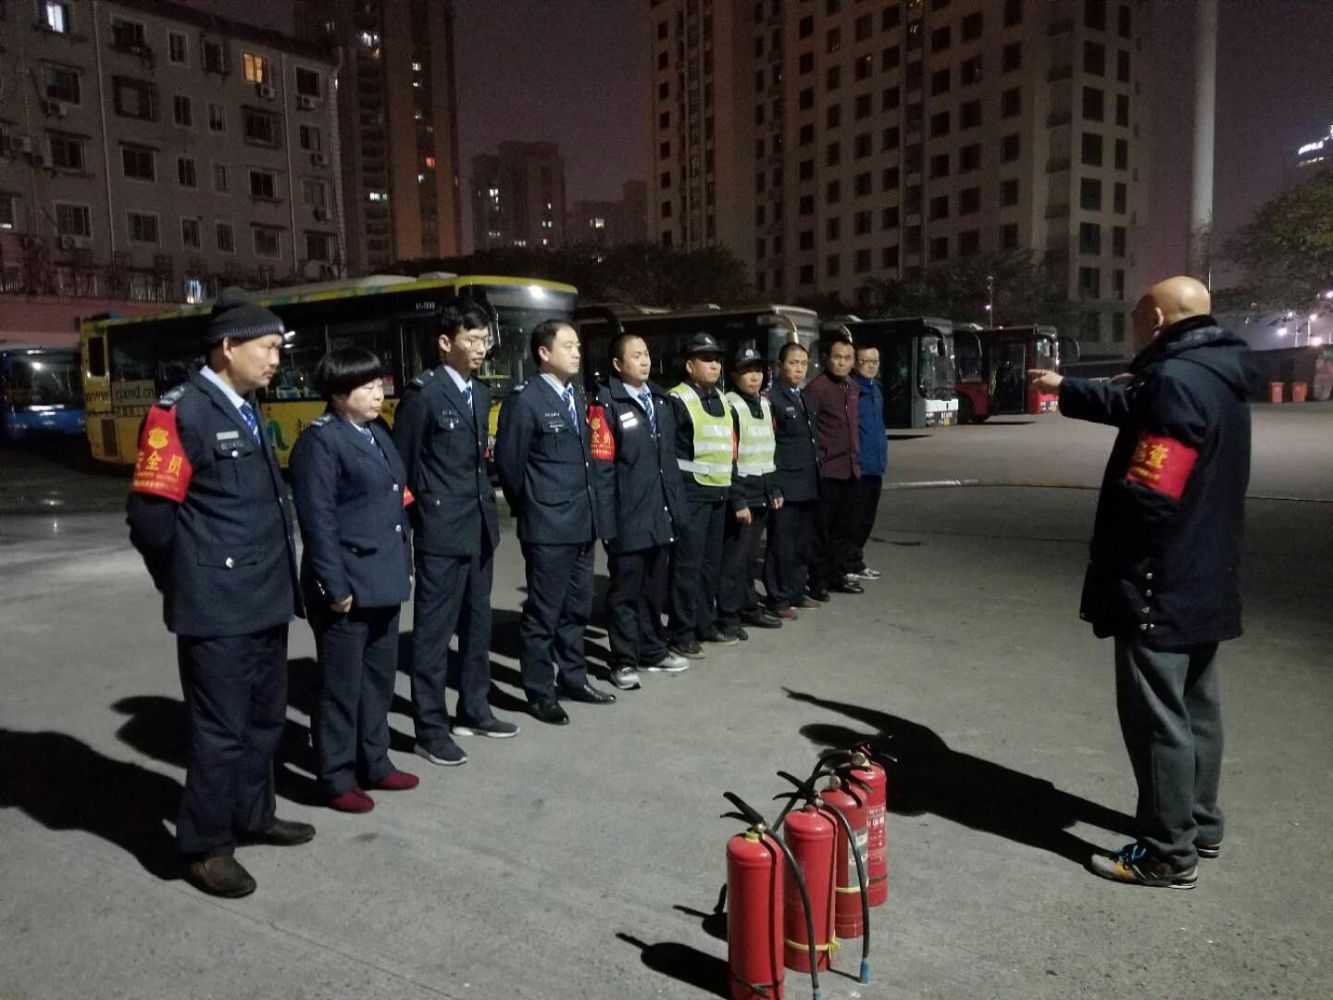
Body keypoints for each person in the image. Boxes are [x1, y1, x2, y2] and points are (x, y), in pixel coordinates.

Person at [1030, 275, 1251, 889]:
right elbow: (1136, 408)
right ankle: (1200, 825)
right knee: (1198, 705)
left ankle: (1166, 853)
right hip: (1208, 570)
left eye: (1133, 315)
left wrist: (1119, 564)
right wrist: (1068, 389)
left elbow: (1151, 492)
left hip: (1161, 577)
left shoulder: (1175, 381)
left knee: (1157, 717)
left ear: (1154, 317)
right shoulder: (1215, 373)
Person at [126, 287, 313, 899]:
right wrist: (186, 579)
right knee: (220, 731)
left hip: (263, 598)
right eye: (268, 348)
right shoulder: (181, 413)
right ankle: (203, 847)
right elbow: (150, 519)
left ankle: (252, 814)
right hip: (217, 605)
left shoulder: (246, 408)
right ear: (229, 347)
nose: (277, 359)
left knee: (263, 720)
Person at [289, 348, 418, 813]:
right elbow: (317, 520)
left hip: (384, 576)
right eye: (366, 387)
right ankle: (336, 775)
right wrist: (334, 585)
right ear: (339, 394)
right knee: (341, 686)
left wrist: (404, 562)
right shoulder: (320, 442)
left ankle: (375, 762)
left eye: (379, 384)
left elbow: (396, 503)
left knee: (378, 680)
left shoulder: (377, 432)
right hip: (347, 582)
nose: (378, 393)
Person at [393, 302, 517, 768]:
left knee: (477, 626)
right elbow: (402, 469)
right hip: (440, 532)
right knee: (432, 635)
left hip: (479, 527)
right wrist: (413, 531)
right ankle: (430, 729)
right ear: (445, 342)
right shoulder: (424, 395)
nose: (481, 348)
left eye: (485, 340)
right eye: (472, 339)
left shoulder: (479, 394)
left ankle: (474, 709)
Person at [494, 320, 618, 725]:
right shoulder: (526, 400)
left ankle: (573, 678)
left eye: (578, 346)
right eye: (568, 346)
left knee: (577, 609)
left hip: (582, 521)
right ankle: (539, 691)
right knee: (543, 614)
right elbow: (510, 466)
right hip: (548, 525)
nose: (577, 352)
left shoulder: (574, 396)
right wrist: (534, 507)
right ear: (544, 353)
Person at [591, 333, 690, 690]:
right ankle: (623, 660)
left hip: (660, 513)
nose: (645, 360)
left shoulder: (660, 401)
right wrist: (606, 523)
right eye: (636, 355)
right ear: (618, 365)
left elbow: (669, 463)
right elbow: (602, 470)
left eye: (646, 353)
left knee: (653, 590)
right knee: (625, 593)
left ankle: (652, 650)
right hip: (627, 517)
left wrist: (676, 510)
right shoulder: (606, 404)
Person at [666, 332, 737, 657]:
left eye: (717, 359)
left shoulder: (720, 398)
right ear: (689, 365)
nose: (714, 365)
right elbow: (668, 453)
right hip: (691, 495)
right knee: (687, 567)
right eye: (706, 359)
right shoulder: (677, 399)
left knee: (710, 565)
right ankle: (681, 632)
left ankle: (705, 623)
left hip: (718, 493)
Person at [717, 347, 784, 639]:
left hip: (762, 492)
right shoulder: (730, 406)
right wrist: (738, 499)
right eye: (747, 371)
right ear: (734, 375)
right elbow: (729, 456)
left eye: (757, 370)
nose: (754, 377)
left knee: (747, 559)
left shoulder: (765, 405)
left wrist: (775, 488)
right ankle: (728, 614)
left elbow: (769, 449)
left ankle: (748, 606)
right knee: (735, 560)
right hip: (742, 494)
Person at [764, 342, 822, 620]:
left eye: (803, 364)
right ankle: (778, 598)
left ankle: (797, 590)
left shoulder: (802, 396)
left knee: (802, 543)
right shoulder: (772, 399)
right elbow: (770, 446)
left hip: (808, 482)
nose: (799, 369)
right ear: (780, 366)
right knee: (781, 545)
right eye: (793, 363)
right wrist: (774, 485)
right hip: (786, 484)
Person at [803, 334, 864, 599]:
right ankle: (817, 581)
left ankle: (837, 575)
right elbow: (808, 429)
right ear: (827, 359)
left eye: (848, 358)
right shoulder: (817, 388)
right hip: (827, 472)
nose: (842, 362)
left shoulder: (852, 388)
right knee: (821, 530)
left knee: (844, 530)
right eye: (838, 357)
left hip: (850, 469)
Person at [847, 344, 887, 581]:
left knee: (867, 519)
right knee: (853, 519)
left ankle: (856, 561)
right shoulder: (852, 390)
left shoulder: (876, 390)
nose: (871, 366)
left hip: (876, 466)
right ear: (855, 363)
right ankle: (848, 563)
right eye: (865, 361)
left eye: (875, 361)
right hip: (859, 467)